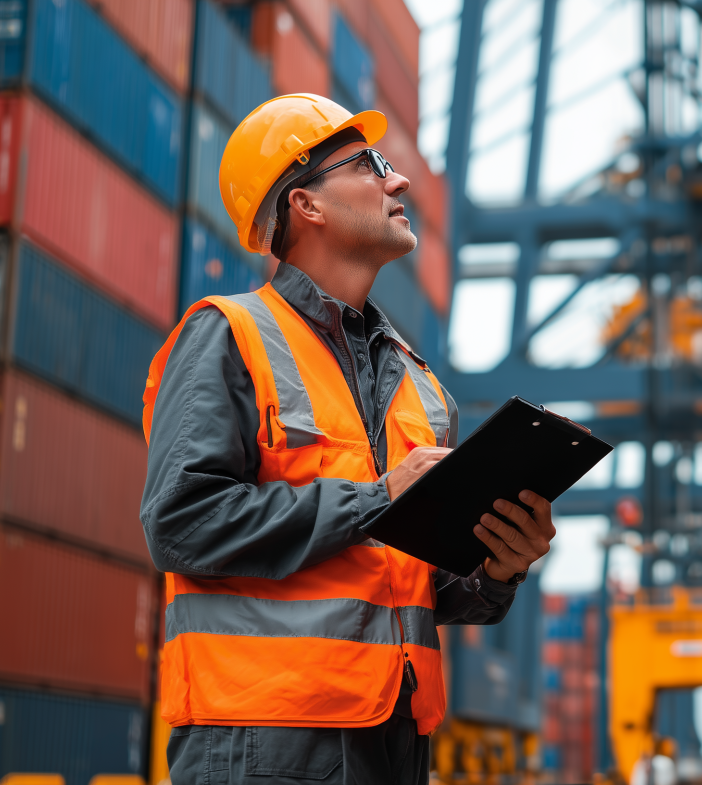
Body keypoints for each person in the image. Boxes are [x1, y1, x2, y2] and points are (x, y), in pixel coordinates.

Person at [140, 94, 556, 784]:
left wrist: (497, 566)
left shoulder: (422, 388)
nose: (400, 181)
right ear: (306, 204)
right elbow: (181, 524)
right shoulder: (229, 335)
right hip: (265, 739)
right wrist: (377, 499)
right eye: (370, 165)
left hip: (395, 739)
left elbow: (413, 584)